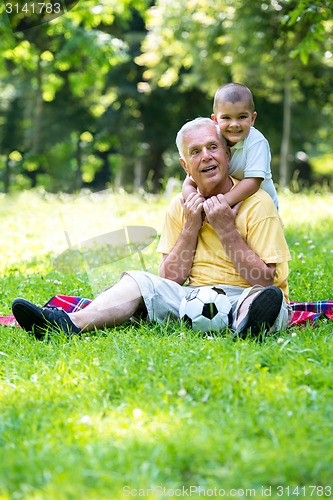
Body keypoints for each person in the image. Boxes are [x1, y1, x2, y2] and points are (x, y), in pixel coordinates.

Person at [12, 118, 292, 339]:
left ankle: (248, 325)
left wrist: (226, 230)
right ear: (185, 166)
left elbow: (265, 280)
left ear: (227, 155)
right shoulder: (180, 207)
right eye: (195, 152)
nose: (206, 156)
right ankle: (69, 323)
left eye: (212, 147)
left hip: (247, 294)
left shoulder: (257, 204)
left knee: (267, 301)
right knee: (138, 281)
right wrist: (191, 226)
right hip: (193, 300)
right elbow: (170, 280)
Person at [182, 83, 279, 209]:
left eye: (242, 117)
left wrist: (223, 201)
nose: (234, 124)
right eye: (226, 118)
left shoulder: (256, 141)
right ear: (215, 120)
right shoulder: (214, 141)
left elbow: (253, 182)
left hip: (260, 208)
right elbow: (189, 182)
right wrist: (194, 201)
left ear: (252, 118)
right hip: (231, 205)